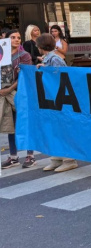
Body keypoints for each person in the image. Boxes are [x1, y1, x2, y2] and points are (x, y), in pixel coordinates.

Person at [35, 33, 78, 172]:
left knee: (61, 128)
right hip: (53, 98)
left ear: (41, 46)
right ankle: (57, 158)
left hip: (60, 99)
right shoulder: (49, 58)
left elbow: (62, 76)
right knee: (54, 128)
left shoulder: (54, 58)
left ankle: (69, 159)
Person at [0, 30, 35, 169]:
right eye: (13, 37)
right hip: (5, 93)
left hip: (20, 93)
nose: (16, 40)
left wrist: (8, 89)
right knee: (11, 124)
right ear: (7, 40)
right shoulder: (3, 55)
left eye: (19, 38)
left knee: (25, 123)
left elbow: (24, 77)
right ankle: (13, 156)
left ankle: (30, 155)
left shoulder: (24, 55)